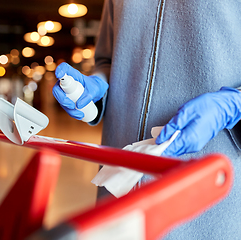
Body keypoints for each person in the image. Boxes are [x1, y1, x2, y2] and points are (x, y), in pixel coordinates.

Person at [52, 0, 241, 239]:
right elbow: (108, 59)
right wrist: (94, 88)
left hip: (209, 197)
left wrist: (234, 106)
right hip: (119, 187)